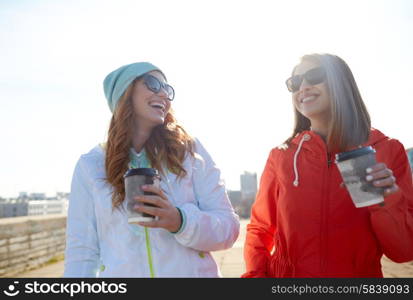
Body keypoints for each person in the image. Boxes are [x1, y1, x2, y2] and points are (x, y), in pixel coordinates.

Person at [242, 53, 413, 277]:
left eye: (315, 76)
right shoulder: (281, 157)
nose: (303, 86)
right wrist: (256, 276)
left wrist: (385, 200)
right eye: (295, 82)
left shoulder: (387, 151)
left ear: (340, 82)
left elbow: (403, 251)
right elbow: (260, 229)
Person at [64, 62, 240, 277]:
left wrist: (180, 221)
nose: (164, 94)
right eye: (153, 84)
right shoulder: (91, 165)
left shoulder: (189, 151)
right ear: (125, 92)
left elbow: (228, 229)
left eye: (168, 89)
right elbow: (82, 252)